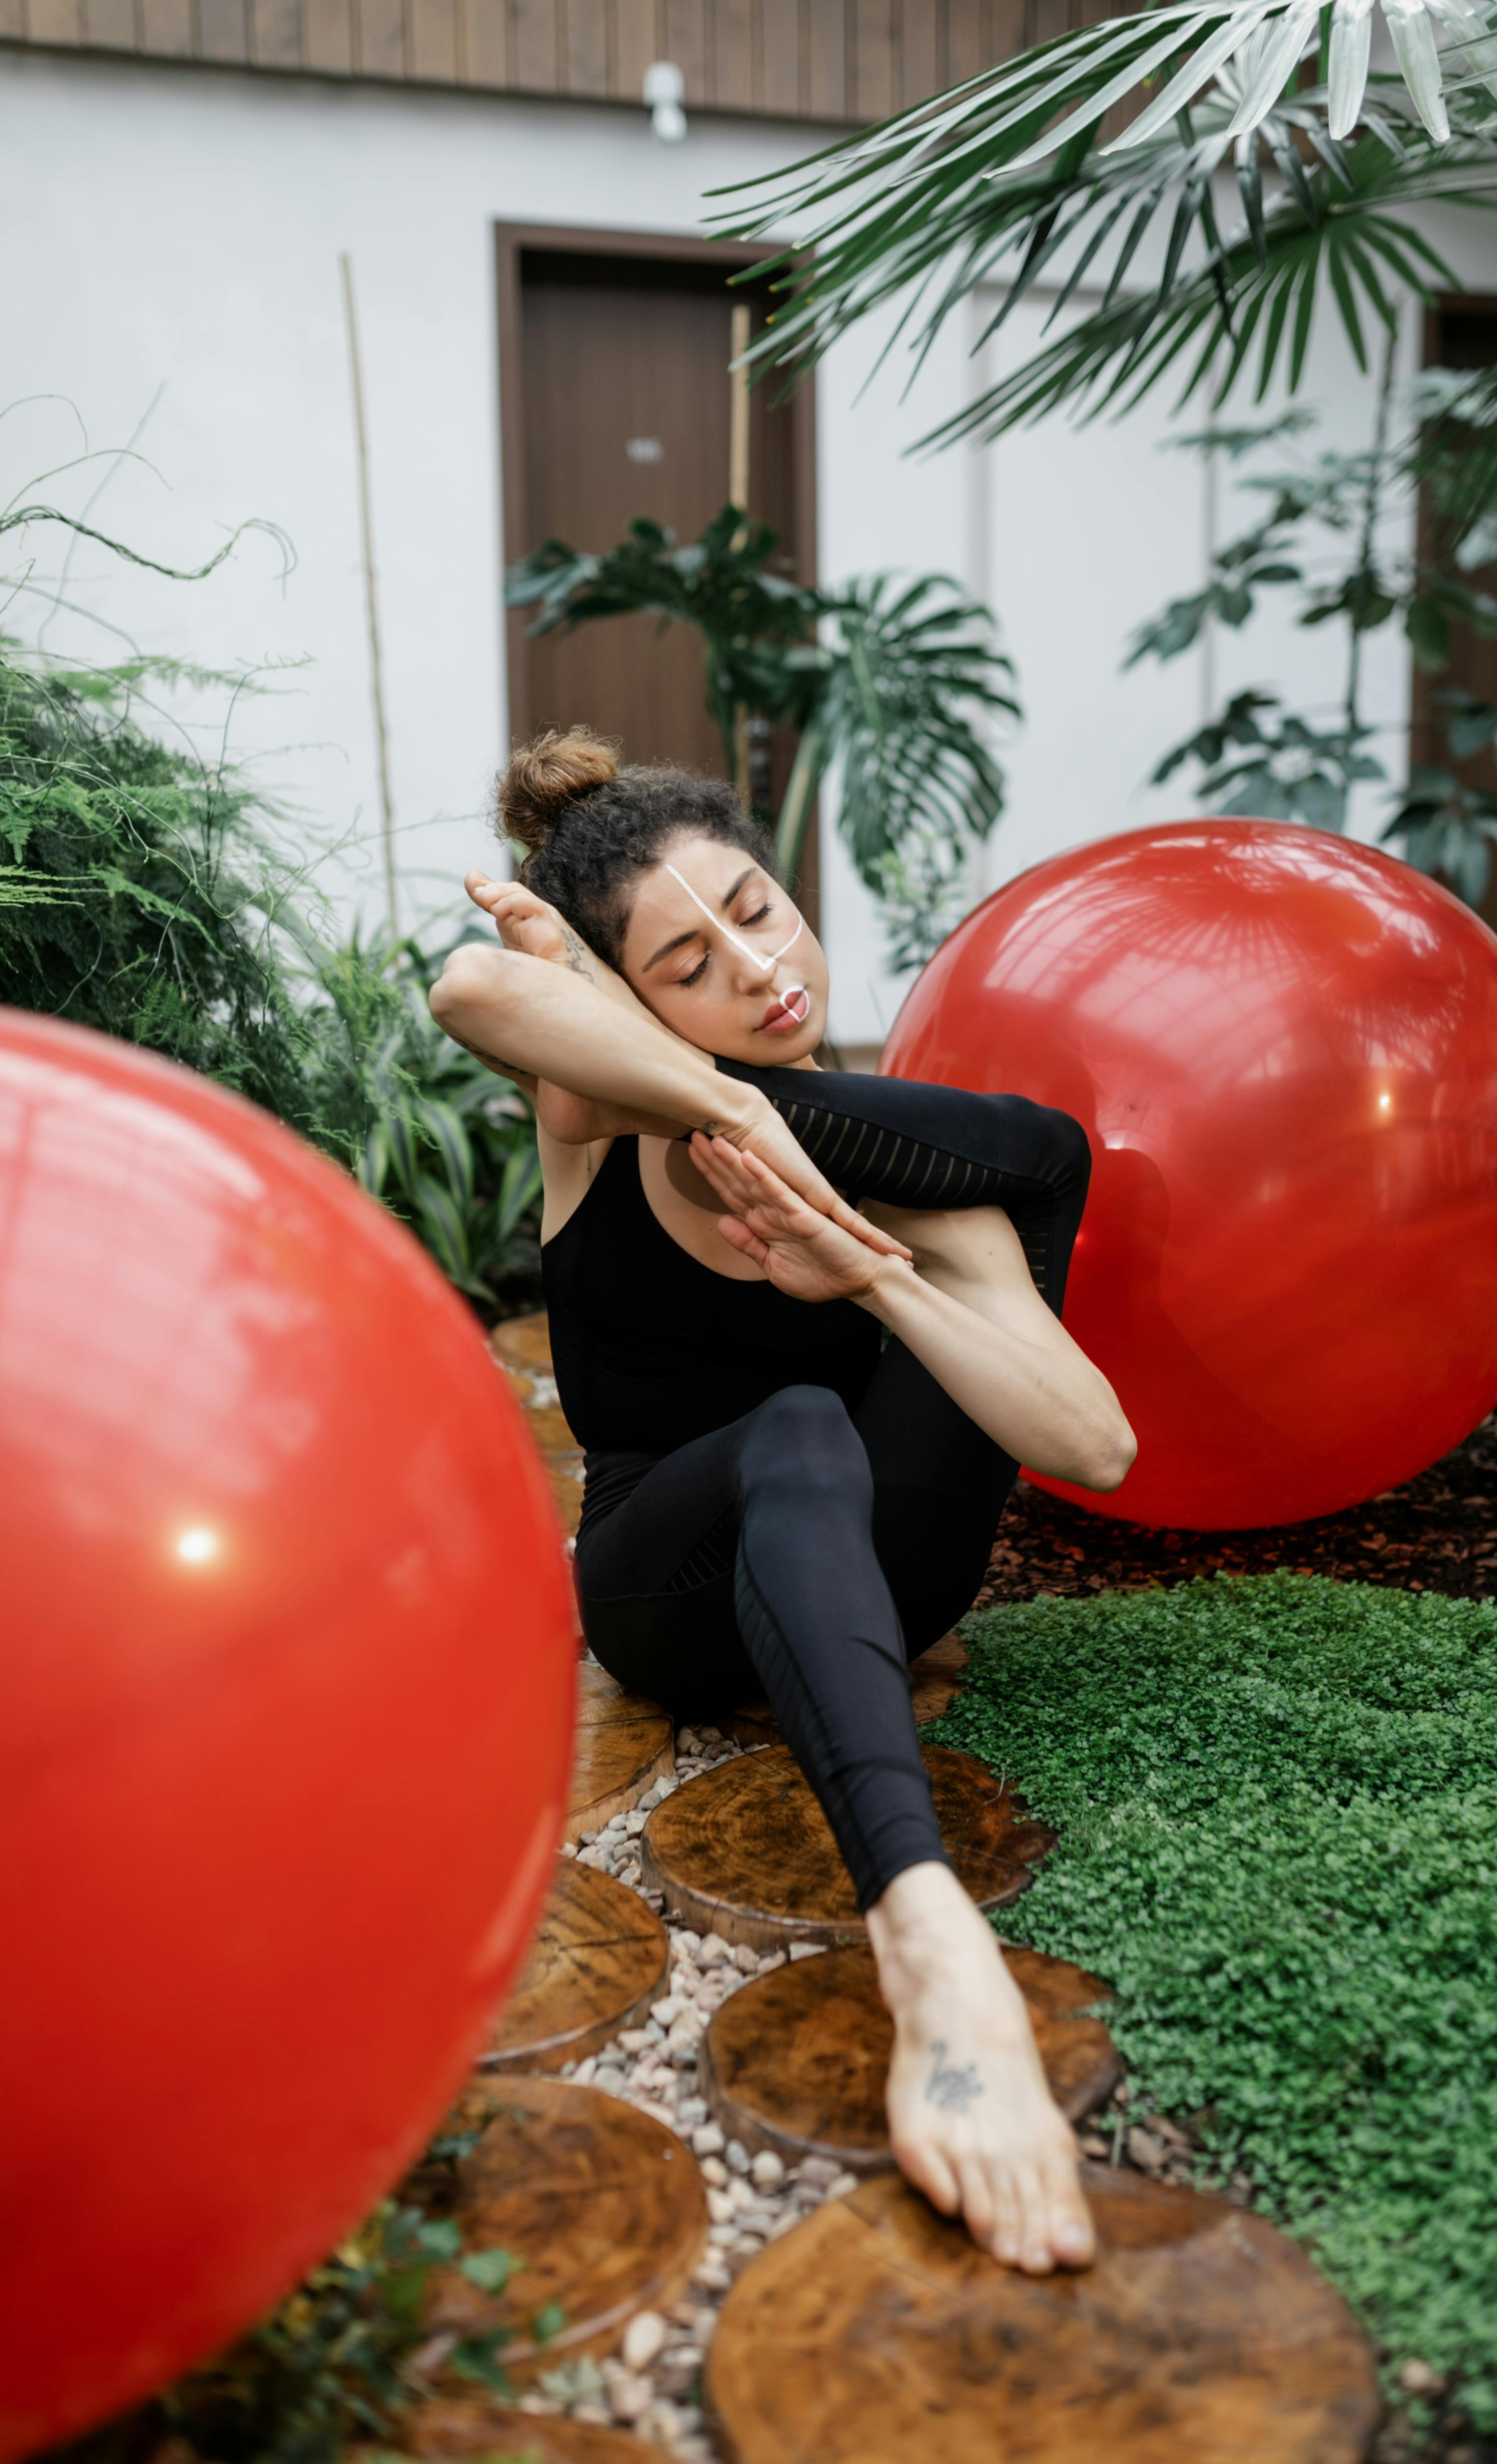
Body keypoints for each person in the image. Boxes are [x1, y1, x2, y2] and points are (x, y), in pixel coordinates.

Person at [430, 726, 1136, 2277]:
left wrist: (876, 1274)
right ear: (631, 1006)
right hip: (665, 1594)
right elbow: (474, 992)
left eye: (754, 909)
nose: (756, 969)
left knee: (1009, 1191)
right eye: (687, 961)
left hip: (890, 1575)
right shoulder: (605, 1117)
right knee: (794, 1420)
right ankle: (930, 1940)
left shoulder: (906, 1160)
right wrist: (735, 1113)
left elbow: (1093, 1444)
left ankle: (916, 1889)